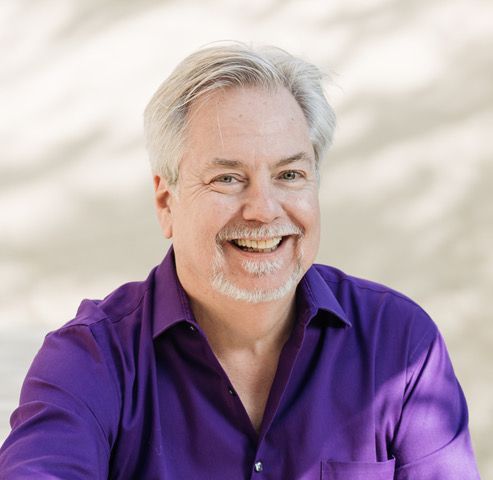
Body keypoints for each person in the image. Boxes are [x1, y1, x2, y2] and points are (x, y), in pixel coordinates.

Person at [0, 42, 480, 479]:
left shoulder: (399, 346)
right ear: (167, 202)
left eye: (290, 174)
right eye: (228, 178)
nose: (264, 209)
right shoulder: (90, 362)